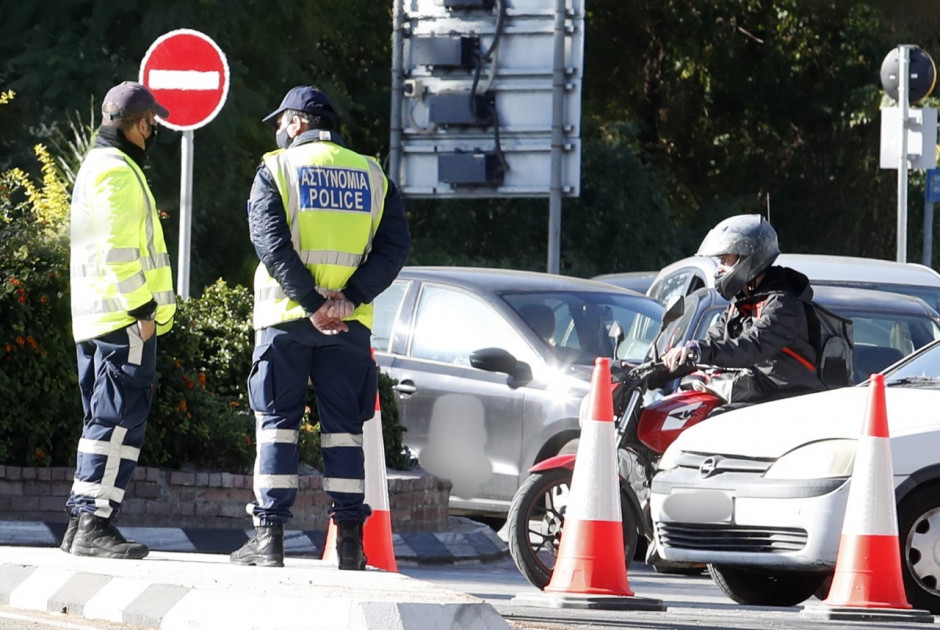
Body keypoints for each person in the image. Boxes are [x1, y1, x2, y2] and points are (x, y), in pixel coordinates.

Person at [230, 86, 410, 570]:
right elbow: (394, 248)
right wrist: (348, 300)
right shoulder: (372, 175)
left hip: (287, 322)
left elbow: (269, 241)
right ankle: (350, 543)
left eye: (279, 122)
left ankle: (269, 540)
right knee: (345, 431)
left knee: (277, 428)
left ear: (297, 122)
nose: (277, 131)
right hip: (350, 327)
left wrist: (311, 303)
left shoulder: (277, 170)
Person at [62, 81, 176, 559]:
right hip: (122, 319)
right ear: (137, 123)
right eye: (152, 123)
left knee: (101, 421)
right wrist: (144, 310)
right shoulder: (118, 172)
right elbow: (119, 251)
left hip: (100, 317)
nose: (154, 133)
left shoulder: (100, 166)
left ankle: (79, 522)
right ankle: (94, 523)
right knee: (118, 423)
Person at [660, 214, 826, 405]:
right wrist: (658, 371)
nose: (719, 269)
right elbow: (711, 343)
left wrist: (698, 350)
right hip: (759, 399)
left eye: (724, 260)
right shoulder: (740, 306)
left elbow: (751, 346)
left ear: (748, 258)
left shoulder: (783, 304)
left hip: (788, 404)